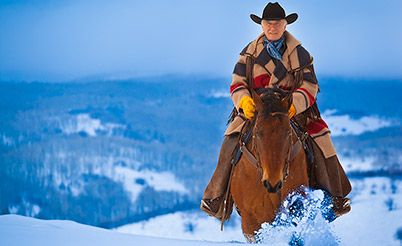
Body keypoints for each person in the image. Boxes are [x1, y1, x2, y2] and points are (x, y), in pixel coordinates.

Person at [200, 2, 352, 221]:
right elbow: (237, 83)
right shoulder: (249, 54)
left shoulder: (300, 54)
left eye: (277, 23)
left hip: (291, 109)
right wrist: (244, 102)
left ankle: (335, 198)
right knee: (231, 141)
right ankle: (217, 197)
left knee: (322, 141)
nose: (273, 28)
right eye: (268, 23)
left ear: (285, 25)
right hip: (256, 108)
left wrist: (294, 104)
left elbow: (310, 86)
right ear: (262, 25)